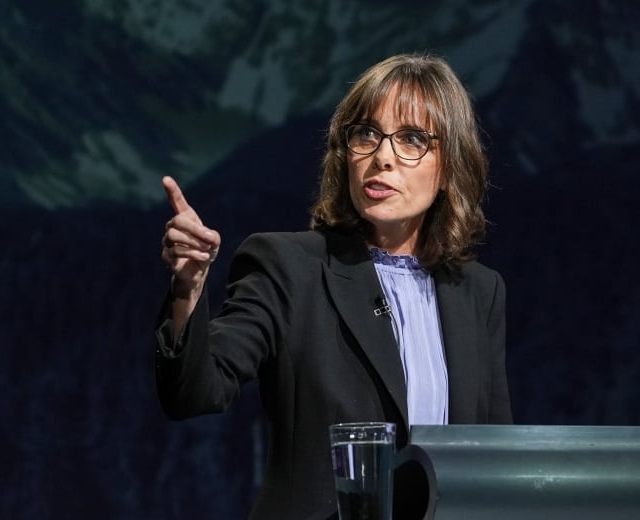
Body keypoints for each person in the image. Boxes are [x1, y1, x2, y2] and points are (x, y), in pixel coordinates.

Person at [155, 53, 512, 519]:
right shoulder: (290, 266)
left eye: (410, 139)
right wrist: (189, 289)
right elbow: (195, 391)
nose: (382, 156)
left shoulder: (478, 292)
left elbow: (498, 457)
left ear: (448, 168)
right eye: (366, 134)